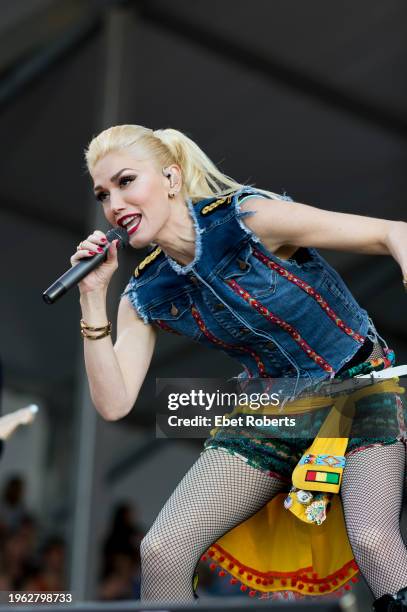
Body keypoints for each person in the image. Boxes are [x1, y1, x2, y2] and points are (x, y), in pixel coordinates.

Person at [71, 125, 407, 610]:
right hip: (272, 410)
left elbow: (391, 232)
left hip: (358, 387)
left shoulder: (247, 218)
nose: (114, 204)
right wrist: (91, 297)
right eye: (103, 193)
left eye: (126, 182)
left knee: (374, 539)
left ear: (170, 178)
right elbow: (114, 402)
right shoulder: (145, 292)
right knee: (162, 550)